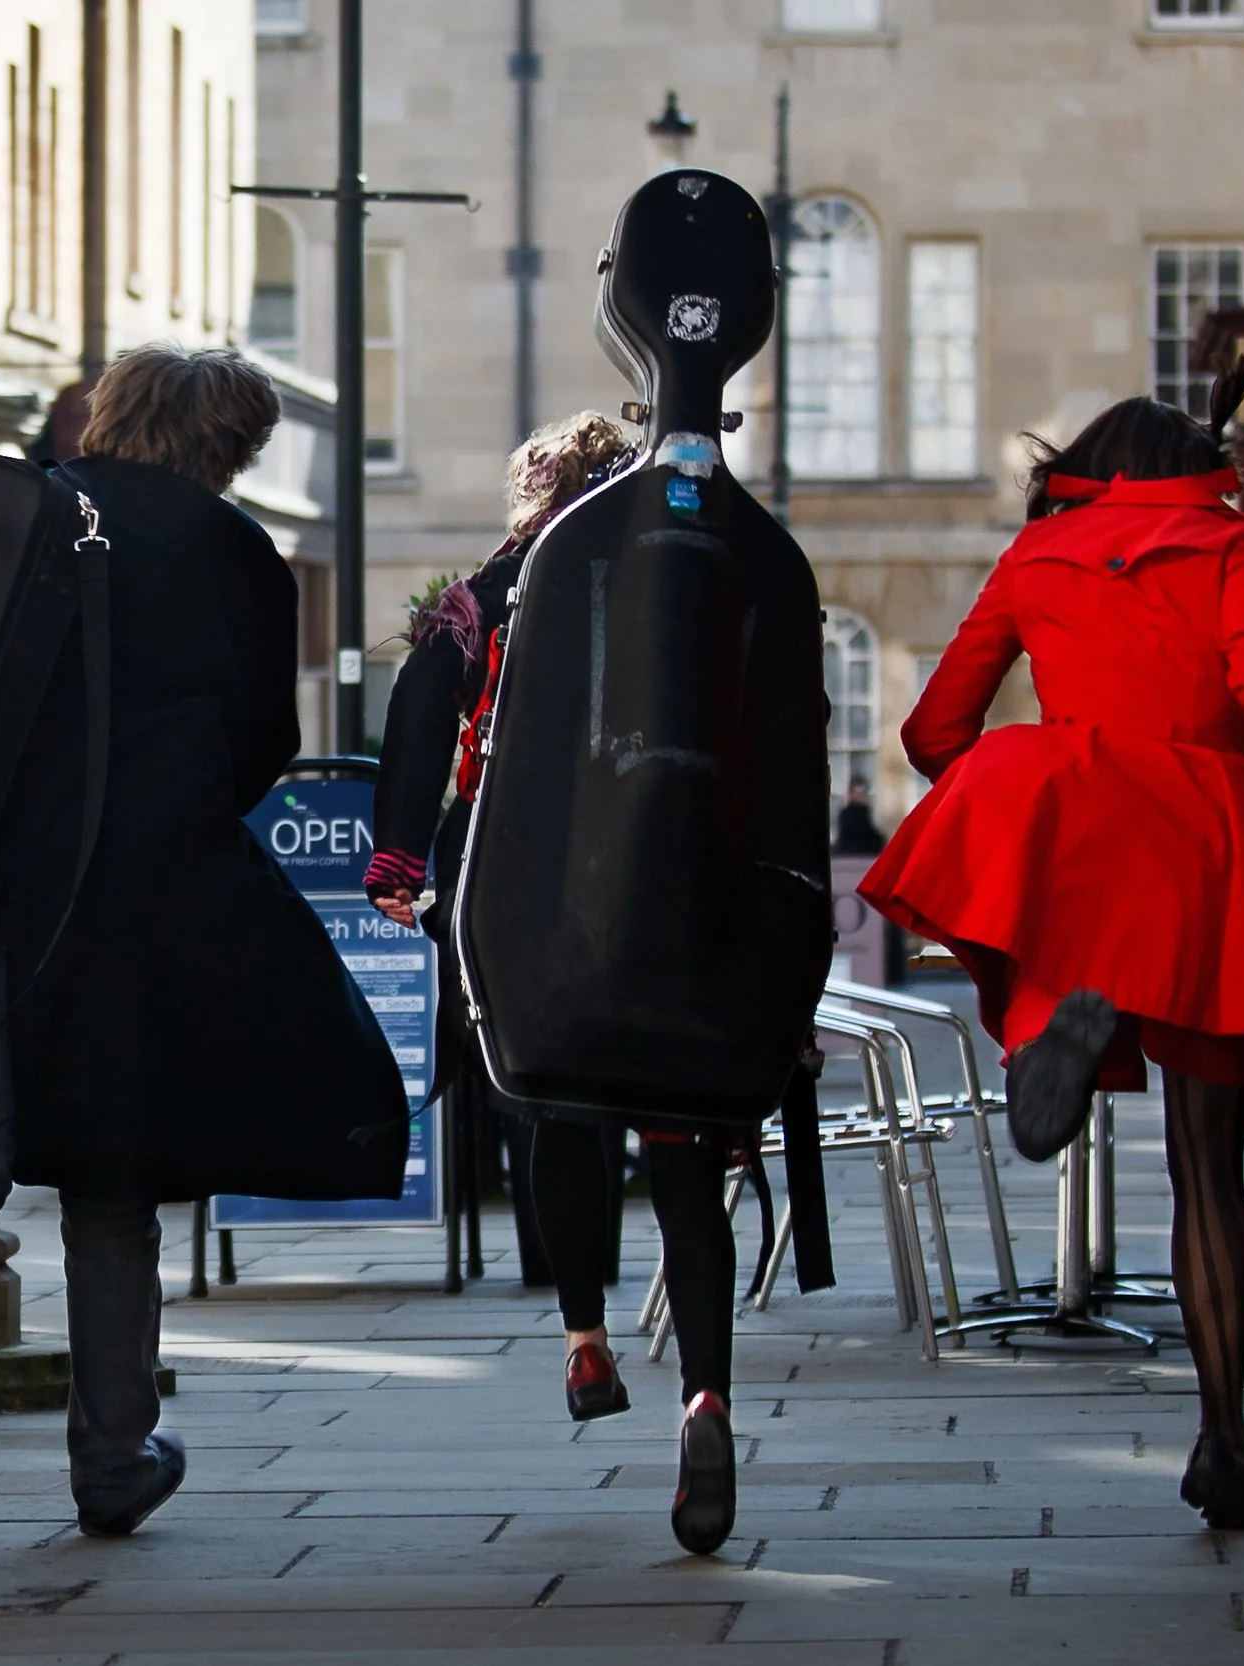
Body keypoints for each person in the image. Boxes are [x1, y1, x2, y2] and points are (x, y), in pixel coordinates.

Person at [0, 344, 405, 1535]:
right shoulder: (233, 551)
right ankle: (114, 1455)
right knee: (111, 1172)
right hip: (141, 892)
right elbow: (259, 744)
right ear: (227, 447)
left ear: (110, 414)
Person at [857, 359, 1244, 1531]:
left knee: (1055, 897)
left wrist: (1044, 784)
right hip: (1204, 853)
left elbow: (934, 727)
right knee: (1208, 1168)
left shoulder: (1039, 552)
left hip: (1077, 825)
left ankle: (1055, 1016)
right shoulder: (1235, 541)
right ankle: (1224, 1444)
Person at [365, 411, 749, 1556]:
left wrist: (397, 857)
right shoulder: (685, 576)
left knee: (553, 1105)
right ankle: (707, 1392)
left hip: (522, 885)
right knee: (679, 1142)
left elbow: (418, 703)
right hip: (670, 879)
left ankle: (585, 1339)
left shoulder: (491, 591)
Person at [832, 777, 887, 855]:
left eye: (863, 793)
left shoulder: (861, 811)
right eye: (858, 793)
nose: (861, 796)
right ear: (851, 793)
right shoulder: (849, 813)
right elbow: (859, 833)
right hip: (854, 853)